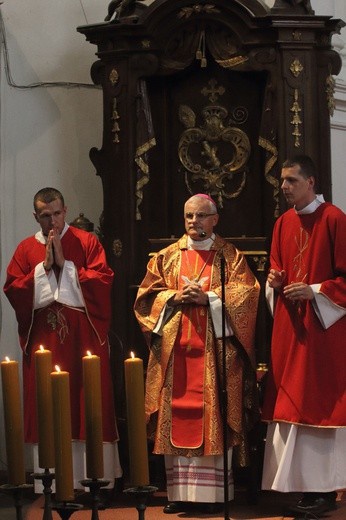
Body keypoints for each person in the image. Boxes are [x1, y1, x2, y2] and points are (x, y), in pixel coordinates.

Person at [134, 193, 260, 514]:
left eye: (201, 216)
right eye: (189, 216)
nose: (194, 222)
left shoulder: (229, 256)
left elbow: (246, 295)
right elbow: (146, 299)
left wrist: (210, 299)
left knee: (211, 411)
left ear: (215, 220)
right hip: (176, 357)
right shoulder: (166, 257)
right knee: (175, 411)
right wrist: (174, 297)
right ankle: (178, 493)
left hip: (215, 357)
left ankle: (212, 496)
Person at [3, 187, 122, 491]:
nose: (52, 221)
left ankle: (95, 479)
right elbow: (14, 288)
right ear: (36, 216)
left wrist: (66, 267)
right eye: (45, 215)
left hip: (83, 342)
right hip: (45, 342)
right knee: (48, 403)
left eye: (57, 213)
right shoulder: (25, 249)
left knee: (87, 399)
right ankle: (51, 484)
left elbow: (102, 280)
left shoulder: (87, 242)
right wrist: (43, 269)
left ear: (65, 210)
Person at [261, 155, 346, 515]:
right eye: (282, 180)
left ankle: (324, 489)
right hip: (290, 327)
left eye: (291, 180)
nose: (284, 186)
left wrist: (314, 290)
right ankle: (298, 485)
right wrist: (274, 282)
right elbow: (277, 268)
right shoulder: (282, 222)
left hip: (322, 332)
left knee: (318, 406)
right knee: (289, 403)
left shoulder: (335, 220)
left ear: (310, 182)